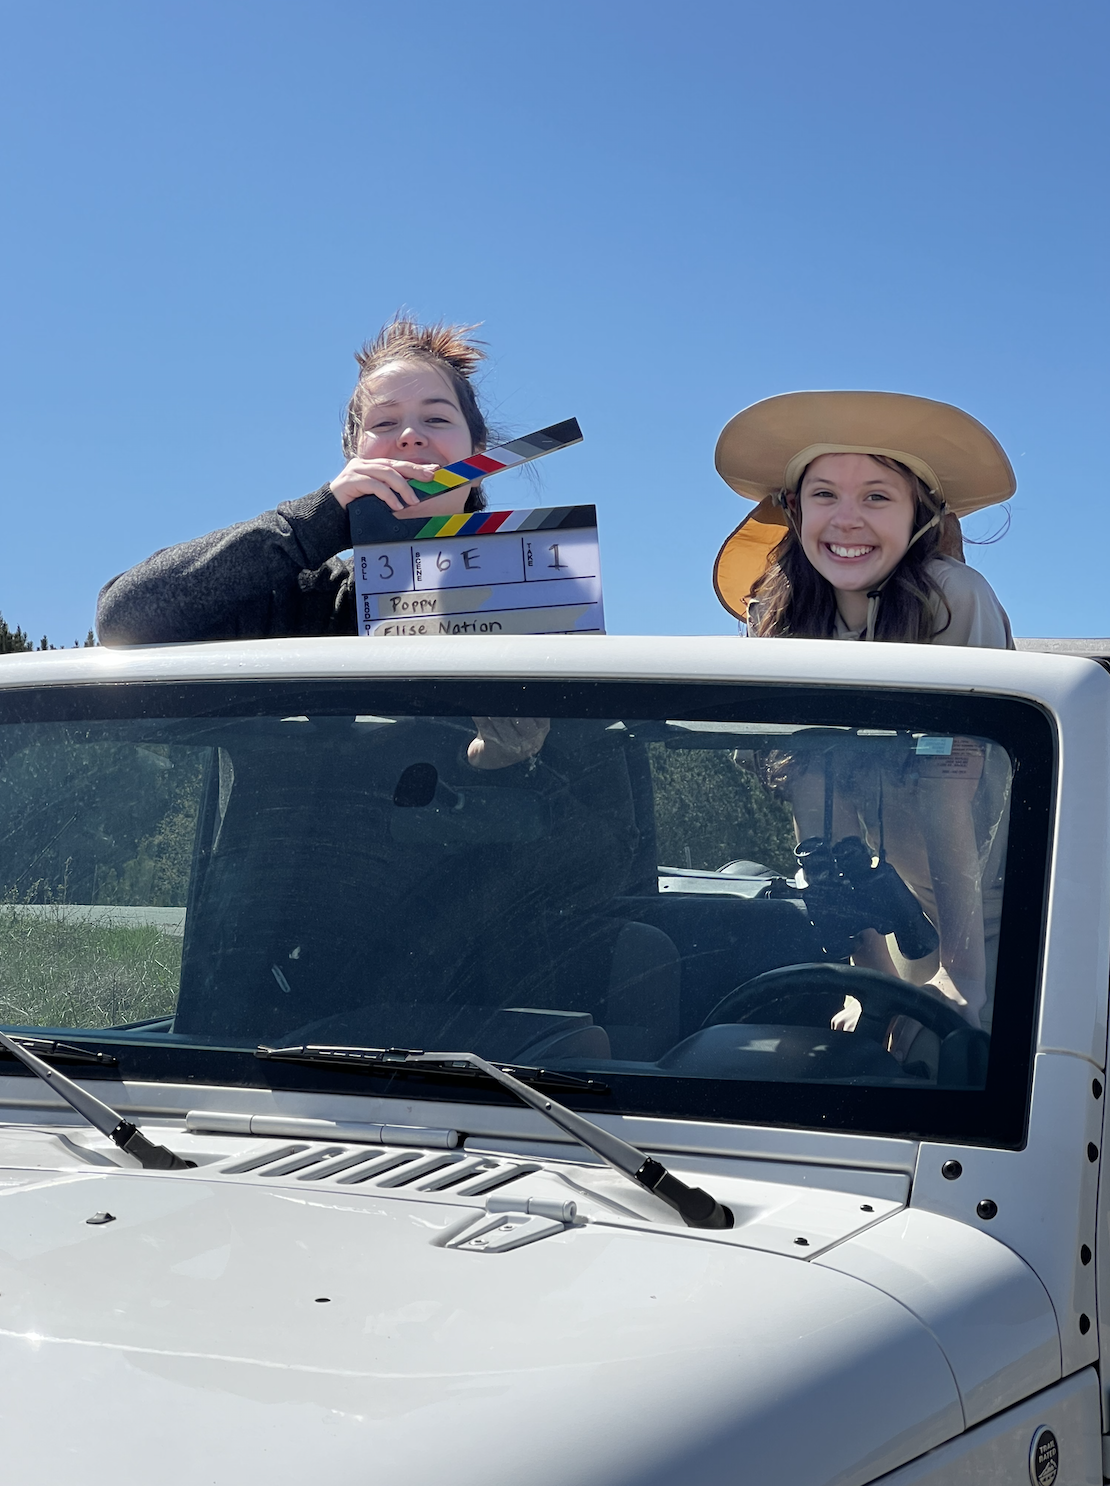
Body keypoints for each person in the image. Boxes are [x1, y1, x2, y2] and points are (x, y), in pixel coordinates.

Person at [96, 315, 546, 769]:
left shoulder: (545, 602)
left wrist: (502, 760)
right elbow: (123, 620)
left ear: (479, 452)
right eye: (385, 422)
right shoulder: (301, 601)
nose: (411, 437)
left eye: (436, 418)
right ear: (353, 455)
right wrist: (315, 521)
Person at [711, 391, 1017, 1046]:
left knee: (962, 1061)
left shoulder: (953, 599)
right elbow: (811, 791)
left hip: (1007, 918)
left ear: (918, 514)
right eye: (825, 494)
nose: (847, 519)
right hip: (912, 919)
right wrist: (867, 977)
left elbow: (950, 780)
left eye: (877, 497)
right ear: (794, 509)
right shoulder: (779, 619)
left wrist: (963, 974)